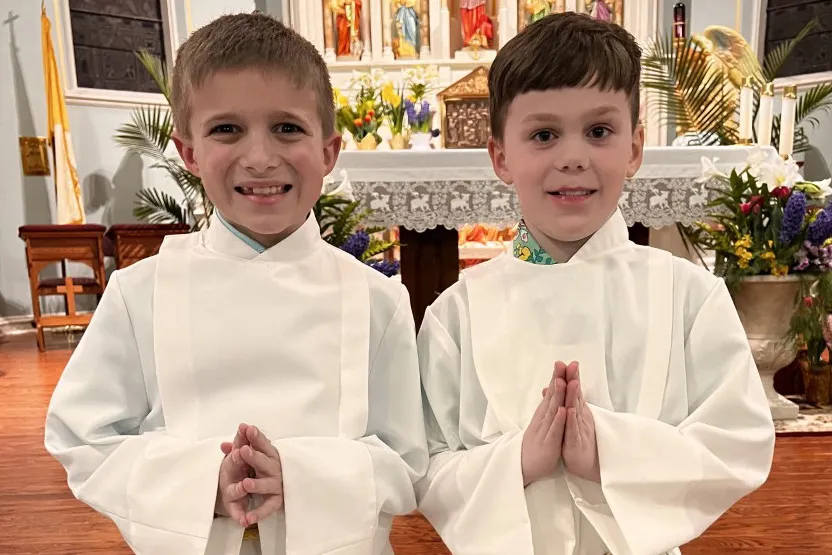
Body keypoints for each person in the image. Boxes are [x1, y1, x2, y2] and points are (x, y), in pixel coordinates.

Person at [44, 12, 427, 555]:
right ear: (190, 153)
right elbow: (80, 438)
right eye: (227, 128)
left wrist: (299, 477)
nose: (260, 157)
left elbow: (407, 460)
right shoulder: (139, 293)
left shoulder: (377, 298)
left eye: (287, 127)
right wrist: (204, 485)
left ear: (327, 152)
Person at [416, 12, 775, 555]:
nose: (573, 157)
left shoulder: (689, 295)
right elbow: (423, 464)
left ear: (634, 148)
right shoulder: (456, 313)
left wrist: (606, 452)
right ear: (500, 156)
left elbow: (739, 442)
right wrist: (518, 462)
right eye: (543, 135)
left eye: (599, 131)